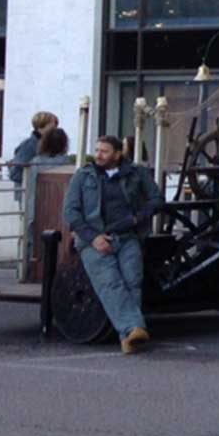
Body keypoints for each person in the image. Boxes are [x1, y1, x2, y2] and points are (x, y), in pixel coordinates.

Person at [62, 135, 166, 355]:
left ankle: (127, 338)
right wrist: (93, 238)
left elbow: (156, 199)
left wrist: (139, 218)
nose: (98, 155)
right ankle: (133, 329)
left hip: (128, 236)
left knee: (132, 282)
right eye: (97, 150)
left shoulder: (136, 174)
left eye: (104, 151)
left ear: (118, 154)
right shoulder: (83, 176)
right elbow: (71, 212)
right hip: (93, 240)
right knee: (110, 283)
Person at [8, 110, 60, 212]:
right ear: (41, 127)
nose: (55, 130)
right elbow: (15, 172)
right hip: (29, 194)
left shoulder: (47, 144)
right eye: (52, 126)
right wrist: (32, 179)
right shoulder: (29, 145)